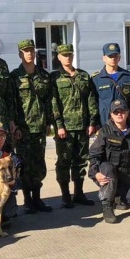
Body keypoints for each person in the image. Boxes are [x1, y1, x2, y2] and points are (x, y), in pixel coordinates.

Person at [50, 44, 99, 208]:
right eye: (64, 55)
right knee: (64, 161)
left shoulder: (83, 76)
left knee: (80, 161)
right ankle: (65, 196)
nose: (68, 57)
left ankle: (79, 193)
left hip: (83, 127)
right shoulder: (55, 78)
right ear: (59, 57)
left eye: (70, 54)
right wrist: (59, 126)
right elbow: (54, 103)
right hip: (65, 129)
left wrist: (92, 122)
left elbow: (91, 100)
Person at [88, 99, 130, 223]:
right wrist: (95, 173)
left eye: (122, 111)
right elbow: (94, 155)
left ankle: (118, 197)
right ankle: (107, 205)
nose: (119, 114)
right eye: (116, 112)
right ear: (111, 114)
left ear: (127, 113)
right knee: (107, 167)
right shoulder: (105, 132)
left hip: (128, 173)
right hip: (109, 172)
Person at [11, 39, 52, 214]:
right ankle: (27, 200)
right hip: (23, 128)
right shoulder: (14, 77)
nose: (29, 54)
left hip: (40, 128)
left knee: (39, 165)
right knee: (24, 165)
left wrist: (49, 122)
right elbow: (11, 103)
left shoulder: (43, 76)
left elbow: (49, 101)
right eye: (26, 51)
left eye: (32, 51)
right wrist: (14, 126)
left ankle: (37, 198)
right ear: (20, 54)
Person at [91, 42, 130, 125]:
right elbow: (93, 103)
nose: (113, 58)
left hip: (125, 121)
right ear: (104, 58)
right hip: (105, 122)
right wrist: (94, 123)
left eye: (115, 56)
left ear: (119, 57)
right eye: (110, 56)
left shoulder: (127, 76)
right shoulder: (97, 78)